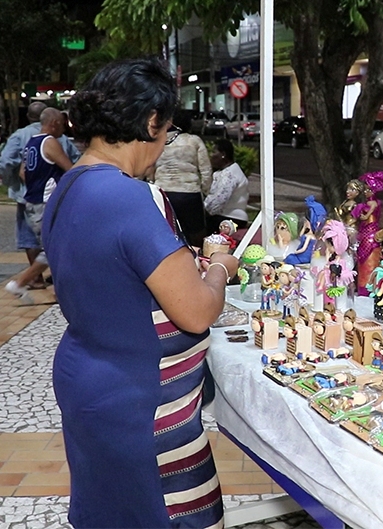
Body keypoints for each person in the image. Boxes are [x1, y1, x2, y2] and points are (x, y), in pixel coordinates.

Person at [42, 58, 238, 528]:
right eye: (167, 131)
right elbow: (196, 312)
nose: (162, 145)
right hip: (143, 402)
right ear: (151, 123)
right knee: (171, 514)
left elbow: (114, 274)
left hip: (88, 380)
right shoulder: (133, 196)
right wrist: (219, 269)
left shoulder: (67, 187)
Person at [0, 101, 80, 291]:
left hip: (32, 201)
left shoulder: (30, 143)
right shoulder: (50, 142)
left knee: (55, 246)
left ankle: (59, 288)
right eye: (61, 123)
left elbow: (22, 173)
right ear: (53, 123)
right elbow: (70, 169)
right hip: (47, 202)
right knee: (55, 247)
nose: (64, 128)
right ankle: (19, 283)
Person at [148, 109, 213, 246]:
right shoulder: (194, 141)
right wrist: (204, 192)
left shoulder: (159, 141)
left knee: (167, 235)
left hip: (163, 193)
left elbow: (150, 169)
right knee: (196, 236)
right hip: (190, 194)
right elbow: (206, 171)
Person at [204, 137, 249, 233]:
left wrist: (201, 210)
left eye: (214, 152)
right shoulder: (227, 171)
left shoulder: (230, 174)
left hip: (231, 219)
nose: (211, 156)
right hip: (225, 217)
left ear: (223, 154)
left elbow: (218, 201)